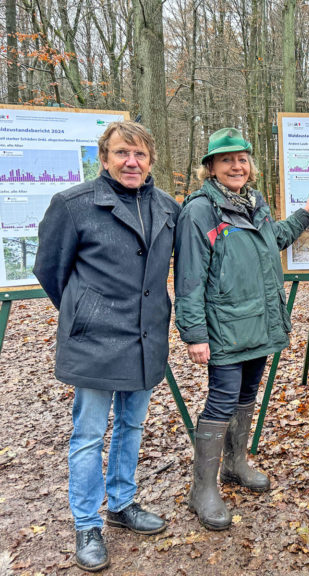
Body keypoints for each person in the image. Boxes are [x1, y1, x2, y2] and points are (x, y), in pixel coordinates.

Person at [33, 121, 179, 571]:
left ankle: (121, 503)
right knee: (89, 434)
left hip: (145, 338)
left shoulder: (167, 207)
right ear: (105, 158)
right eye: (121, 154)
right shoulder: (74, 205)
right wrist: (87, 310)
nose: (131, 162)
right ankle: (86, 523)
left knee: (131, 427)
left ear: (150, 160)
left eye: (139, 155)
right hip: (94, 342)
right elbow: (51, 270)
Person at [174, 127, 309, 530]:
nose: (236, 166)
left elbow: (271, 239)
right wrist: (195, 334)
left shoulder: (255, 203)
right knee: (221, 400)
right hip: (225, 327)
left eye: (241, 159)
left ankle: (235, 463)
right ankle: (201, 488)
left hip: (259, 322)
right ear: (211, 167)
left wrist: (304, 215)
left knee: (246, 394)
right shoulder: (200, 211)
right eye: (226, 160)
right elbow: (189, 277)